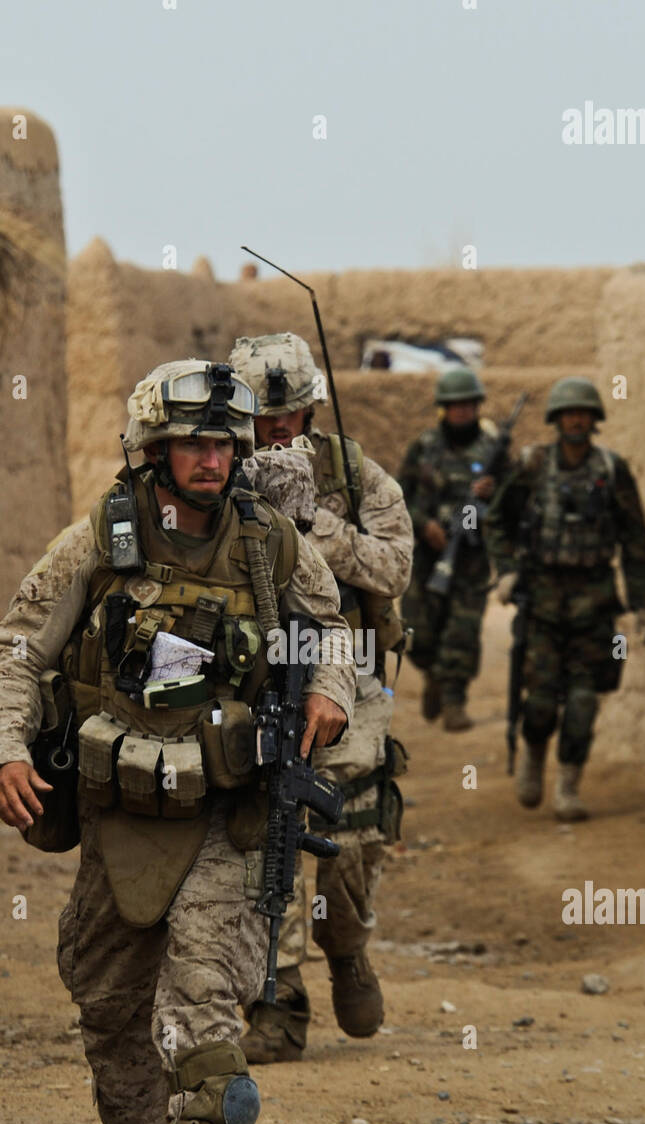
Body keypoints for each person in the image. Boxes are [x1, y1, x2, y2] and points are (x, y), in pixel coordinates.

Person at [0, 359, 355, 1124]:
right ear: (153, 449)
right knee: (107, 993)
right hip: (124, 813)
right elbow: (16, 652)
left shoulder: (271, 546)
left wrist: (332, 688)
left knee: (204, 983)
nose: (210, 459)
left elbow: (330, 627)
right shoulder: (94, 544)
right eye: (191, 442)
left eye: (223, 443)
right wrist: (2, 750)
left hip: (232, 807)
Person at [228, 332, 413, 1063]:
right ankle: (277, 1001)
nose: (277, 431)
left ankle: (346, 946)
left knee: (351, 842)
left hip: (350, 673)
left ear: (310, 410)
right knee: (261, 836)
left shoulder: (354, 473)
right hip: (259, 676)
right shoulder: (214, 470)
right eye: (263, 418)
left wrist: (316, 526)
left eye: (290, 415)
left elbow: (394, 567)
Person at [484, 376, 645, 820]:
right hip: (541, 602)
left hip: (595, 605)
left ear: (594, 419)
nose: (576, 420)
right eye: (568, 413)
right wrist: (506, 571)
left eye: (583, 413)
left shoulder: (611, 469)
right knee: (541, 700)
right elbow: (496, 520)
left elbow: (635, 539)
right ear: (557, 420)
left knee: (584, 700)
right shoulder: (533, 465)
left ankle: (568, 786)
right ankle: (534, 755)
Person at [399, 365, 506, 730]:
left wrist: (494, 494)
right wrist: (423, 524)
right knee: (417, 631)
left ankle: (454, 700)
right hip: (428, 556)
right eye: (454, 405)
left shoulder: (493, 451)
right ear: (443, 408)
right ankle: (433, 674)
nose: (462, 411)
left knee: (462, 630)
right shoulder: (424, 448)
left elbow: (515, 504)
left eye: (468, 404)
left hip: (471, 559)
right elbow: (399, 498)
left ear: (478, 406)